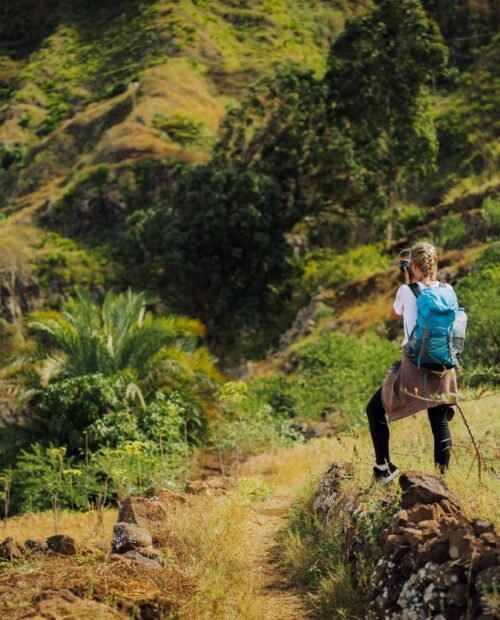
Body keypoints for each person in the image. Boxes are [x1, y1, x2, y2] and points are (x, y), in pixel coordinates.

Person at [366, 242, 458, 483]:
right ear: (435, 264)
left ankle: (384, 467)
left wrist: (408, 284)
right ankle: (442, 480)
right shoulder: (448, 290)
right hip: (444, 364)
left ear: (413, 266)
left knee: (374, 409)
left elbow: (394, 314)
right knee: (438, 421)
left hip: (415, 365)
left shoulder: (406, 291)